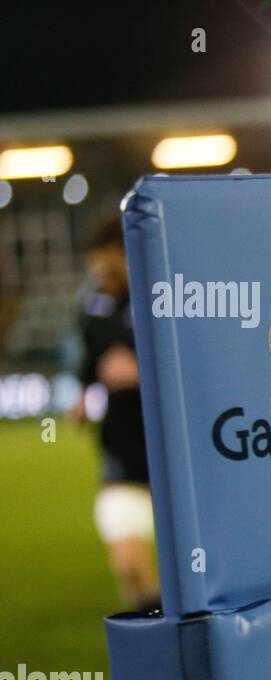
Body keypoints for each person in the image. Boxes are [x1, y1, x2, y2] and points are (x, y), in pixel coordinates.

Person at [71, 219, 159, 613]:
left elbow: (201, 373)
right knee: (129, 566)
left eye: (105, 262)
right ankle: (155, 637)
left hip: (173, 458)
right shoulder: (93, 311)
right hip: (122, 454)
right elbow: (91, 369)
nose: (98, 272)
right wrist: (83, 398)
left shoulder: (167, 301)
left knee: (201, 573)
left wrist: (142, 374)